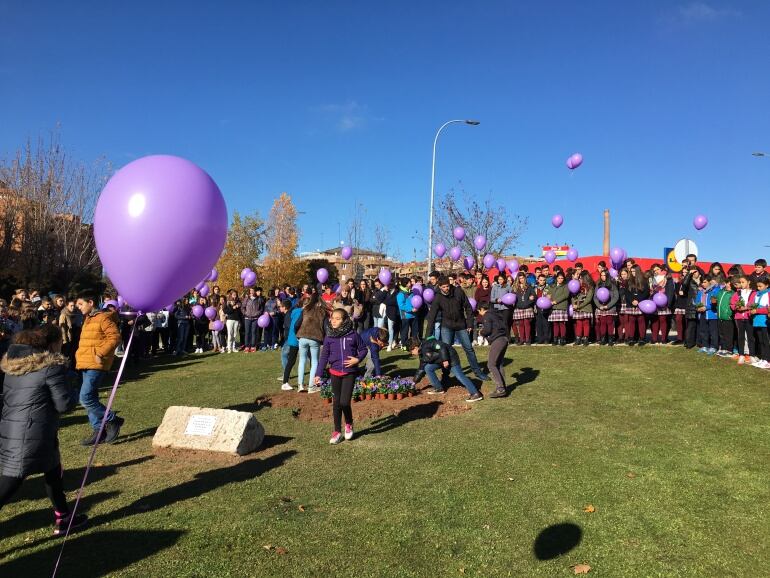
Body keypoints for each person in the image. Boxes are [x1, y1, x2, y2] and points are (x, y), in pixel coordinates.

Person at [0, 326, 88, 535]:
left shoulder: (14, 367)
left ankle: (64, 517)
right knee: (10, 482)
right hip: (30, 435)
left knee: (53, 472)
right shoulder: (50, 368)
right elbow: (63, 404)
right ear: (48, 345)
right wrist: (73, 387)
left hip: (20, 429)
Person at [75, 292, 124, 446]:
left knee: (85, 398)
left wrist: (101, 353)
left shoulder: (102, 318)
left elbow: (115, 337)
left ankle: (112, 420)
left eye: (80, 304)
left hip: (96, 363)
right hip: (85, 362)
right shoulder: (88, 319)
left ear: (91, 302)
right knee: (92, 398)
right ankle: (99, 431)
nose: (79, 308)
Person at [314, 309, 368, 444]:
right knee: (336, 404)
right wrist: (318, 374)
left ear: (344, 321)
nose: (333, 320)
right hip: (334, 373)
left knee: (344, 402)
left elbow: (363, 349)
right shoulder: (329, 337)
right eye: (332, 318)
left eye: (337, 318)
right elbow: (324, 356)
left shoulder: (353, 335)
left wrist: (357, 359)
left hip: (349, 373)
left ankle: (349, 423)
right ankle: (337, 431)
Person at [424, 275, 489, 381]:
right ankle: (445, 375)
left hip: (461, 325)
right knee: (445, 350)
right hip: (447, 326)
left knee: (469, 349)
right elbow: (432, 316)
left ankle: (478, 372)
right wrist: (427, 335)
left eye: (447, 286)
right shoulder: (438, 297)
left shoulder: (458, 292)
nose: (446, 289)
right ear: (440, 287)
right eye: (443, 287)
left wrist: (469, 324)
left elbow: (468, 307)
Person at [406, 336, 483, 402]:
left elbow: (442, 346)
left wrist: (445, 359)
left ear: (415, 347)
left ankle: (476, 394)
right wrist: (413, 383)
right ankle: (438, 388)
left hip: (451, 358)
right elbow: (421, 369)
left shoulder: (428, 343)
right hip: (440, 361)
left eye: (411, 351)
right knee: (428, 368)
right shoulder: (421, 354)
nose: (411, 353)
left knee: (459, 376)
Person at [296, 291, 327, 393]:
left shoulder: (305, 309)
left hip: (302, 336)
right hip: (315, 338)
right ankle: (311, 387)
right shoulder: (323, 311)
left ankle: (300, 385)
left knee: (302, 360)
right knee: (314, 362)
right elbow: (326, 327)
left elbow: (297, 324)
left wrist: (298, 334)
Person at [477, 302, 508, 398]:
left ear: (482, 309)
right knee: (498, 364)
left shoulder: (487, 315)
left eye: (479, 311)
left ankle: (500, 388)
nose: (479, 314)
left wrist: (481, 332)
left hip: (497, 340)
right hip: (504, 339)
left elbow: (488, 330)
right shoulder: (496, 314)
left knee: (491, 364)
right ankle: (503, 387)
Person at [731, 275, 757, 365]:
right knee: (740, 336)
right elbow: (732, 304)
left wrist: (746, 307)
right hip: (739, 318)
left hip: (748, 317)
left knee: (750, 337)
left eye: (743, 282)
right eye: (740, 282)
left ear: (748, 282)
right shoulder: (737, 293)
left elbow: (754, 303)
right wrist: (737, 307)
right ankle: (741, 355)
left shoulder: (754, 293)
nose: (741, 284)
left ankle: (752, 355)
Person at [649, 264, 675, 345]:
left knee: (663, 320)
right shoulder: (651, 279)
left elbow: (671, 292)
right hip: (654, 302)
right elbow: (650, 291)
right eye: (654, 270)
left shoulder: (668, 278)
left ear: (661, 269)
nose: (656, 271)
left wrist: (668, 303)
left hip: (664, 302)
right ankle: (654, 338)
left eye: (657, 269)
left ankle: (664, 338)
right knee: (655, 321)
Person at [624, 265, 650, 346]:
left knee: (641, 321)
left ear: (638, 271)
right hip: (631, 304)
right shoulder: (628, 281)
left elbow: (646, 292)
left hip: (641, 304)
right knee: (631, 321)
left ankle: (642, 338)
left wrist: (638, 300)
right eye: (631, 271)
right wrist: (632, 300)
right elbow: (627, 293)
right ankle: (631, 338)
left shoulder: (644, 281)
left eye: (634, 271)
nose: (632, 273)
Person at [280, 299, 303, 391]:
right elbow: (295, 325)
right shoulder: (300, 312)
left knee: (292, 360)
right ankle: (285, 382)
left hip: (292, 338)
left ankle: (285, 381)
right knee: (292, 360)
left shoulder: (293, 312)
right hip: (296, 339)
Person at [594, 269, 619, 345]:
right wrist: (599, 306)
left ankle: (610, 339)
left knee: (610, 323)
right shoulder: (598, 285)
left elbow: (616, 297)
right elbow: (595, 297)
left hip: (610, 307)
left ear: (607, 275)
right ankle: (603, 338)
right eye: (601, 275)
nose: (602, 277)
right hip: (600, 307)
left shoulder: (612, 285)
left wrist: (608, 306)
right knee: (602, 323)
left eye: (604, 275)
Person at [749, 276, 770, 369]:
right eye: (757, 286)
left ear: (767, 285)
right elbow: (752, 306)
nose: (758, 288)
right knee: (760, 341)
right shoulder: (756, 294)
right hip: (757, 321)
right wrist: (751, 310)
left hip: (765, 322)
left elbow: (768, 309)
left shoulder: (768, 294)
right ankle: (763, 359)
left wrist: (757, 310)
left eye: (760, 286)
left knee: (766, 341)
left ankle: (768, 360)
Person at [571, 271, 595, 346]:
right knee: (578, 323)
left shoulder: (590, 287)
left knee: (586, 323)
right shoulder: (577, 286)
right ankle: (578, 338)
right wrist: (574, 304)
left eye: (581, 278)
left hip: (586, 308)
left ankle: (585, 339)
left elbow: (588, 299)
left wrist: (579, 306)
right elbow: (573, 296)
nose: (579, 279)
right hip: (578, 308)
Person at [512, 273, 536, 345]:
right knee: (521, 324)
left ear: (525, 278)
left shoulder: (529, 286)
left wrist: (531, 299)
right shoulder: (515, 287)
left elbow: (534, 295)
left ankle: (528, 339)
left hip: (527, 307)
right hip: (518, 307)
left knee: (527, 323)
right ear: (517, 279)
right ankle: (522, 339)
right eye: (520, 278)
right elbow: (512, 297)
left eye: (522, 278)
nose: (521, 280)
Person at [549, 272, 570, 346]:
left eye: (562, 278)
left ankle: (563, 339)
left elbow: (565, 295)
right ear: (556, 279)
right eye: (559, 278)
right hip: (553, 307)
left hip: (561, 306)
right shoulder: (553, 286)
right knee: (555, 324)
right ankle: (555, 339)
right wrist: (549, 298)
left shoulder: (566, 286)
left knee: (561, 324)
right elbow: (550, 294)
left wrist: (556, 301)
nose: (560, 280)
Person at [241, 287, 265, 352]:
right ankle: (247, 346)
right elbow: (242, 307)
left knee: (254, 332)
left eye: (253, 290)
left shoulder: (258, 299)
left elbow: (261, 308)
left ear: (255, 291)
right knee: (247, 332)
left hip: (255, 318)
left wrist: (258, 313)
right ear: (249, 291)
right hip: (247, 318)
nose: (251, 292)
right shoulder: (246, 299)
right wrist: (245, 313)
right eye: (250, 290)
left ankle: (253, 346)